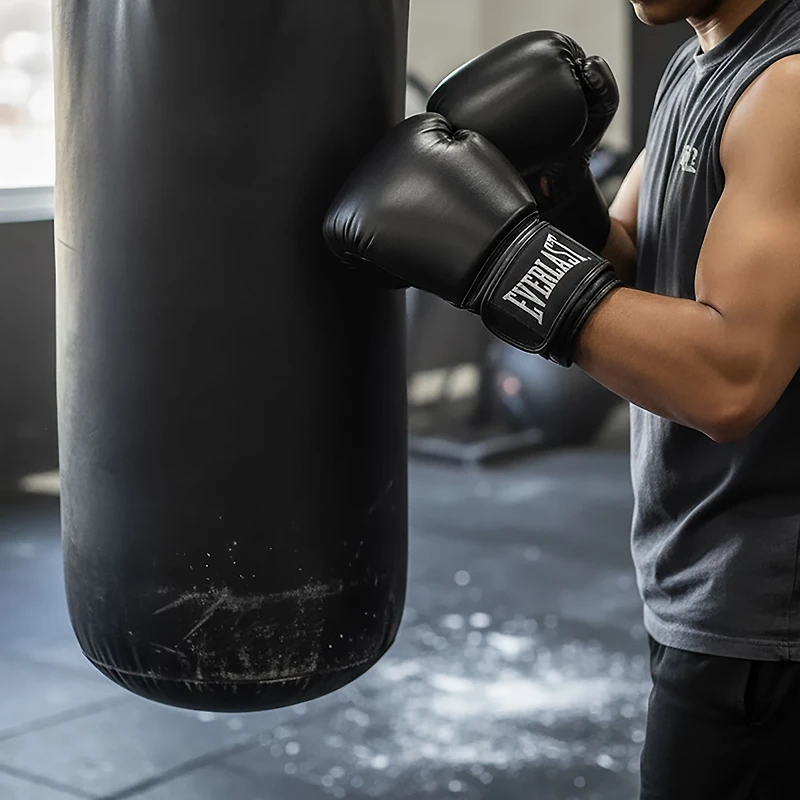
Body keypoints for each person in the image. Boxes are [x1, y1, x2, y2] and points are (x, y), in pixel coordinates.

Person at [324, 0, 800, 796]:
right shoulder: (698, 67)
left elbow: (729, 379)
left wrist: (501, 261)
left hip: (770, 615)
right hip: (708, 580)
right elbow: (631, 265)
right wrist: (554, 184)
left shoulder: (785, 89)